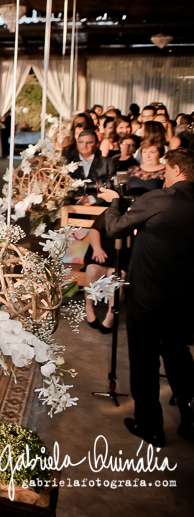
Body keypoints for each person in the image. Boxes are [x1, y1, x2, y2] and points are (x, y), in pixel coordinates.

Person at [97, 148, 194, 446]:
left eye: (166, 168)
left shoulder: (158, 199)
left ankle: (150, 425)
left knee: (145, 360)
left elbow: (114, 228)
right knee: (178, 354)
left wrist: (114, 202)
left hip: (149, 295)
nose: (163, 174)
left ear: (177, 169)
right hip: (186, 298)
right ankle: (190, 420)